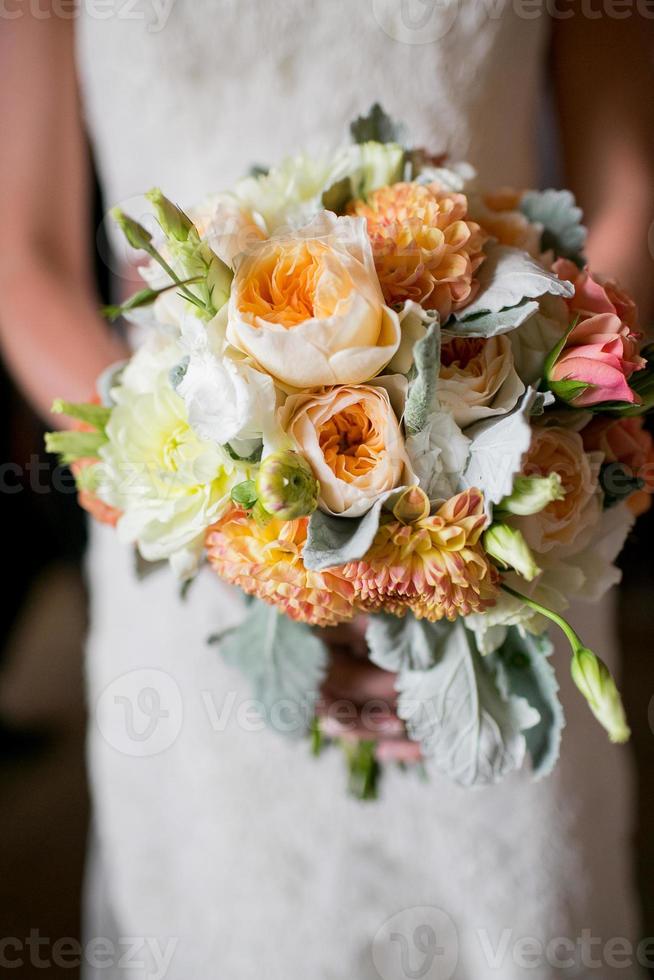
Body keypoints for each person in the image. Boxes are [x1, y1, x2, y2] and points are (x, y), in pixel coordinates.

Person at [1, 4, 652, 978]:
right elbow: (24, 258)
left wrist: (534, 429)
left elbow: (629, 193)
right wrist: (233, 525)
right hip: (189, 531)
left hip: (495, 502)